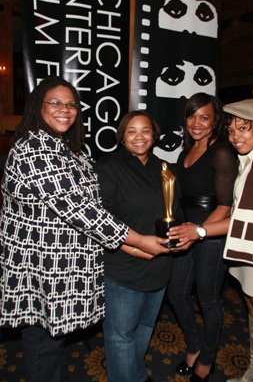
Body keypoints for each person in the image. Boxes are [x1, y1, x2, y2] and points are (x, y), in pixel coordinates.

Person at [0, 77, 170, 382]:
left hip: (65, 270)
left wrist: (132, 247)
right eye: (55, 103)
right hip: (41, 268)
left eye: (71, 104)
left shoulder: (73, 151)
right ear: (38, 106)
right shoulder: (33, 147)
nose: (64, 110)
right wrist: (139, 241)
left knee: (55, 346)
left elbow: (98, 207)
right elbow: (80, 210)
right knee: (43, 346)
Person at [169, 99, 253, 382]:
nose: (236, 136)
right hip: (244, 244)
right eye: (232, 130)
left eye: (244, 129)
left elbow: (251, 217)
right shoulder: (248, 156)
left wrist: (199, 231)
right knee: (252, 310)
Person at [93, 110, 181, 382]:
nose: (139, 137)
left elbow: (174, 212)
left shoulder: (164, 168)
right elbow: (101, 221)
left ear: (154, 135)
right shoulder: (107, 167)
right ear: (121, 137)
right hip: (124, 268)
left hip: (160, 265)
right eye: (131, 131)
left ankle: (135, 374)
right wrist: (135, 248)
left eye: (145, 130)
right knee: (121, 337)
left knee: (145, 327)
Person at [167, 92, 238, 381]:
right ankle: (195, 346)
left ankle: (207, 360)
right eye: (192, 116)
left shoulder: (221, 152)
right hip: (188, 233)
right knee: (177, 294)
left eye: (204, 117)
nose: (197, 123)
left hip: (211, 235)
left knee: (208, 301)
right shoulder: (184, 153)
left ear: (215, 121)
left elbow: (225, 206)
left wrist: (197, 233)